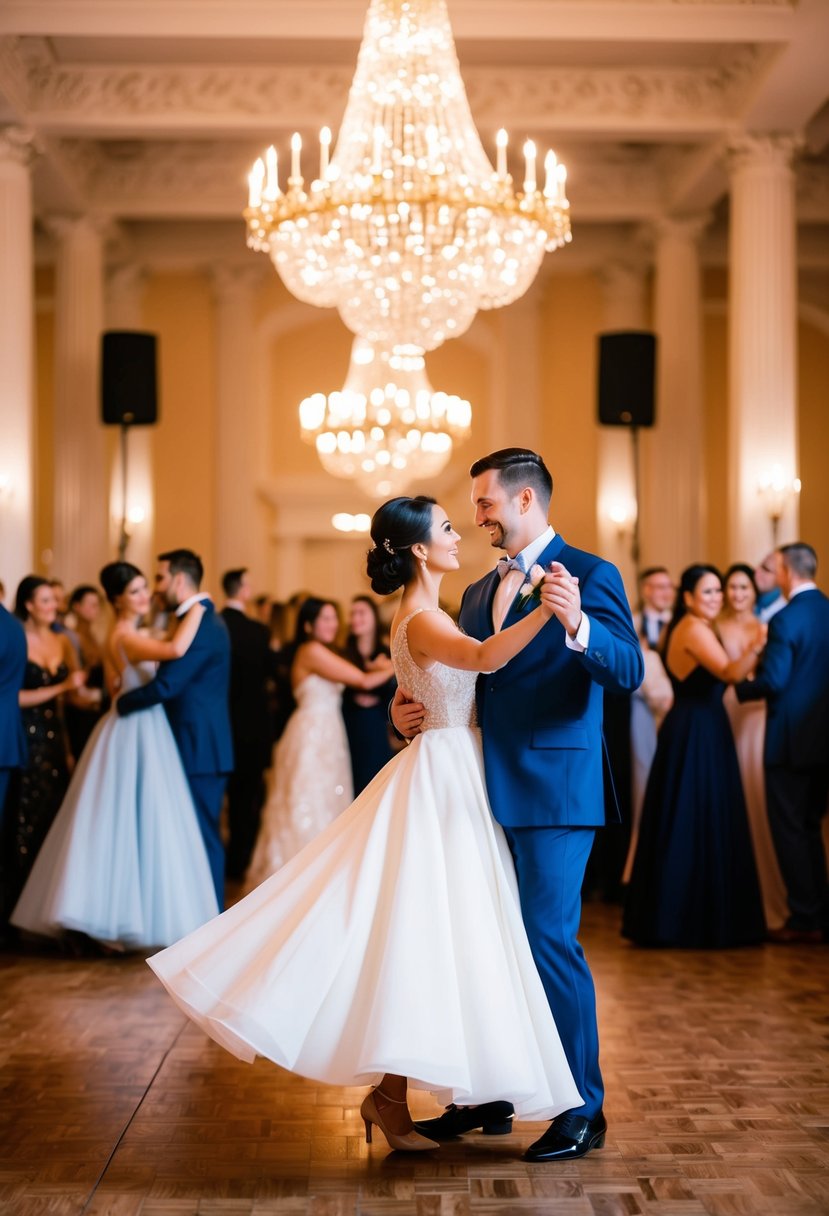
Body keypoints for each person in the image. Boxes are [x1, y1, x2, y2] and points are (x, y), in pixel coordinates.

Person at [146, 495, 581, 1154]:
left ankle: (393, 1097)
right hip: (440, 778)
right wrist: (550, 612)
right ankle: (391, 1098)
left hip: (447, 768)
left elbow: (447, 687)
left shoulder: (424, 612)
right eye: (443, 528)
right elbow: (486, 660)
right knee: (425, 936)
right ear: (415, 549)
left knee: (432, 939)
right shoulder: (424, 617)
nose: (456, 535)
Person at [394, 449, 644, 1163]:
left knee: (545, 942)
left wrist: (577, 625)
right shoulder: (476, 593)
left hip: (554, 791)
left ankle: (581, 1109)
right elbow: (460, 680)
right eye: (473, 507)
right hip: (474, 789)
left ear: (525, 499)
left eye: (484, 504)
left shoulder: (591, 574)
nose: (476, 517)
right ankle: (488, 1100)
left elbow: (627, 670)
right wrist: (403, 710)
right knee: (479, 944)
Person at [11, 563, 219, 949]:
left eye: (145, 588)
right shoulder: (125, 635)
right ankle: (115, 920)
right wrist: (199, 609)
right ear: (117, 600)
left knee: (140, 820)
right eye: (136, 591)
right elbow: (175, 649)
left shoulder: (130, 633)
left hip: (141, 726)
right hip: (133, 731)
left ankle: (133, 914)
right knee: (124, 821)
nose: (145, 596)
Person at [623, 564, 767, 949]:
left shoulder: (691, 625)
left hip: (698, 727)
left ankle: (692, 918)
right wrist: (758, 643)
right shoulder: (694, 628)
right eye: (708, 592)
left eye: (718, 591)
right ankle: (683, 922)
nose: (716, 598)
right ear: (688, 598)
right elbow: (732, 673)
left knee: (696, 818)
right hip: (696, 731)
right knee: (692, 818)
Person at [244, 598, 394, 886]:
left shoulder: (326, 651)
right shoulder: (311, 651)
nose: (332, 624)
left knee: (328, 802)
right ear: (308, 625)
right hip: (311, 737)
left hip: (329, 735)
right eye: (324, 619)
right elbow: (362, 681)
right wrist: (394, 665)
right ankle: (302, 880)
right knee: (307, 801)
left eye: (333, 617)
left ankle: (324, 879)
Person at [116, 549, 233, 910]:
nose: (155, 589)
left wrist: (120, 704)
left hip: (198, 746)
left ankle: (210, 917)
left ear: (180, 580)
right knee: (190, 833)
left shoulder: (202, 624)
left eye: (160, 578)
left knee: (201, 835)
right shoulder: (194, 620)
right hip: (189, 743)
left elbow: (168, 686)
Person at [735, 543, 829, 944]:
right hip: (823, 741)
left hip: (790, 741)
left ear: (788, 571)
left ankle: (805, 917)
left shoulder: (787, 619)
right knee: (811, 828)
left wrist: (740, 688)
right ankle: (819, 912)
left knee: (790, 830)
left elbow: (773, 681)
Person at [1, 577, 86, 924]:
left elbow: (69, 702)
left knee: (54, 818)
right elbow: (14, 696)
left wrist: (67, 746)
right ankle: (15, 905)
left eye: (55, 600)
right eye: (47, 600)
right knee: (24, 817)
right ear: (30, 605)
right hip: (26, 732)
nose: (54, 606)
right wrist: (63, 686)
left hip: (53, 737)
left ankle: (48, 908)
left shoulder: (64, 641)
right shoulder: (17, 635)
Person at [718, 563, 788, 930]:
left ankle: (771, 900)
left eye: (744, 587)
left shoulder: (766, 628)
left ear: (754, 592)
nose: (737, 594)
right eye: (732, 587)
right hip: (726, 710)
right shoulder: (717, 626)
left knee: (756, 797)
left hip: (754, 714)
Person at [220, 569, 274, 883]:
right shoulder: (257, 631)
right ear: (242, 590)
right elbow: (269, 674)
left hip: (218, 726)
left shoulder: (213, 626)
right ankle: (237, 865)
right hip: (251, 731)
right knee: (245, 803)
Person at [341, 595, 396, 795]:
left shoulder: (387, 653)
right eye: (352, 613)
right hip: (349, 724)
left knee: (375, 784)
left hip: (376, 727)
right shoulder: (344, 654)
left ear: (374, 617)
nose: (355, 618)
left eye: (361, 613)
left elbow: (393, 694)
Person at [63, 584, 107, 760]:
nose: (95, 609)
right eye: (90, 604)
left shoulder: (94, 635)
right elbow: (76, 681)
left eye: (97, 604)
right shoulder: (70, 637)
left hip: (93, 710)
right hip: (81, 713)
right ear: (77, 606)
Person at [635, 566, 674, 650]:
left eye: (670, 586)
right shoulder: (634, 623)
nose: (667, 593)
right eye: (661, 587)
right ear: (647, 590)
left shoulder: (678, 621)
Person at [754, 551, 786, 623]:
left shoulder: (783, 613)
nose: (756, 569)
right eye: (759, 565)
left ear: (780, 577)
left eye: (765, 569)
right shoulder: (752, 603)